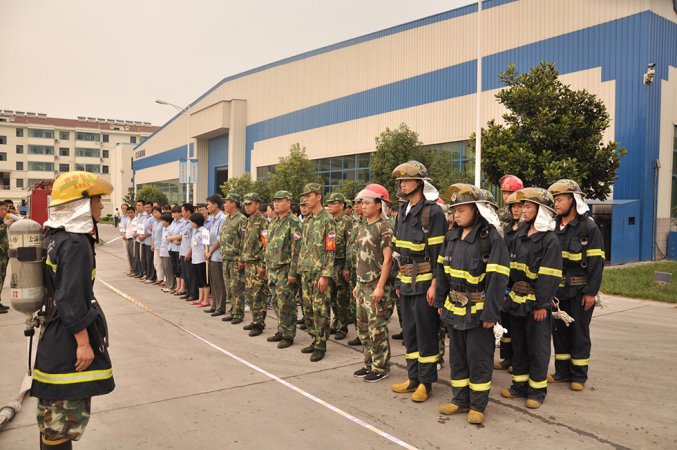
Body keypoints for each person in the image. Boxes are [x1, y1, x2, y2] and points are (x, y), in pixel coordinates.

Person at [33, 171, 115, 448]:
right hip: (67, 337)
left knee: (51, 417)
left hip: (53, 330)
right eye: (97, 201)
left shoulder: (53, 236)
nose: (101, 206)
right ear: (80, 204)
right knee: (62, 420)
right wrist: (83, 343)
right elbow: (71, 298)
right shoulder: (75, 244)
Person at [435, 184, 510, 425]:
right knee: (458, 358)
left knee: (478, 360)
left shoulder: (492, 239)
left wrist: (491, 314)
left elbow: (498, 279)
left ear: (477, 211)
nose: (456, 215)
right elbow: (441, 270)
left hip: (479, 312)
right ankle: (459, 400)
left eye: (461, 210)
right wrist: (440, 300)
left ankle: (477, 405)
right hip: (454, 308)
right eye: (454, 210)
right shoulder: (451, 236)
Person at [390, 161, 447, 402]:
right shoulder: (402, 210)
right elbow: (397, 250)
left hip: (424, 285)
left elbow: (439, 254)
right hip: (405, 283)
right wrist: (397, 282)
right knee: (410, 334)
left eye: (407, 180)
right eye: (400, 181)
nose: (402, 184)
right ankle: (412, 378)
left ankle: (426, 383)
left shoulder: (433, 212)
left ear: (420, 182)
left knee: (426, 334)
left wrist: (435, 285)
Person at [501, 187, 562, 409]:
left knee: (538, 348)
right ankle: (519, 385)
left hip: (537, 304)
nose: (523, 210)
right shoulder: (519, 235)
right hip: (516, 301)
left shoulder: (550, 240)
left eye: (527, 206)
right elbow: (509, 268)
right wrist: (506, 294)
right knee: (519, 345)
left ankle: (536, 391)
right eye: (522, 206)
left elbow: (549, 276)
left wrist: (542, 304)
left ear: (541, 210)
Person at [547, 179, 604, 391]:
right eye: (554, 200)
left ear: (572, 200)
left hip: (579, 292)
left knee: (579, 333)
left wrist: (591, 293)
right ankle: (562, 372)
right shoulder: (551, 226)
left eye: (560, 199)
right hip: (557, 292)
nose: (556, 204)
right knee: (559, 332)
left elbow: (597, 263)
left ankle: (579, 375)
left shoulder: (588, 228)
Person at [351, 184, 395, 382]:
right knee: (362, 327)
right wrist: (357, 284)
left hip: (376, 285)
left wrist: (380, 286)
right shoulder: (363, 226)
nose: (363, 206)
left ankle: (381, 366)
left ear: (379, 205)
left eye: (367, 203)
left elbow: (388, 260)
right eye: (362, 203)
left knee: (376, 328)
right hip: (362, 285)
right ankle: (368, 363)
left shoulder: (384, 227)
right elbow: (360, 258)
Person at [297, 183, 336, 362]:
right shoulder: (307, 220)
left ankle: (321, 344)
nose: (306, 199)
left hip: (320, 272)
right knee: (307, 309)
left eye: (309, 195)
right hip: (306, 271)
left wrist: (325, 274)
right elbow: (303, 247)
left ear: (319, 197)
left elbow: (330, 248)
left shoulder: (327, 219)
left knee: (320, 309)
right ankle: (314, 339)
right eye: (304, 196)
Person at [264, 190, 302, 348]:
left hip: (285, 269)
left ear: (289, 202)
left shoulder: (294, 222)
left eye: (280, 200)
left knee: (287, 303)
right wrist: (267, 267)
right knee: (276, 301)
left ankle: (288, 334)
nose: (276, 203)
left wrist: (293, 272)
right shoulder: (274, 221)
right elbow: (269, 245)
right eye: (275, 201)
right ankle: (281, 329)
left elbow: (296, 249)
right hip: (273, 268)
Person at [495, 192, 522, 372]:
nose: (516, 210)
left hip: (519, 283)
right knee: (505, 323)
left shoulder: (528, 230)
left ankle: (517, 360)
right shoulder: (508, 230)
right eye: (513, 207)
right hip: (507, 281)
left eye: (520, 206)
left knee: (517, 326)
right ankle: (507, 358)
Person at [240, 193, 269, 336]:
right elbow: (245, 242)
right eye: (245, 204)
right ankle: (255, 319)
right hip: (248, 264)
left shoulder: (262, 221)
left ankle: (259, 324)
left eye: (249, 204)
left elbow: (266, 244)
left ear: (257, 204)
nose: (246, 207)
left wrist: (263, 265)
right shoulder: (249, 220)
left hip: (257, 263)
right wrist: (242, 259)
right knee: (250, 294)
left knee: (258, 295)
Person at [326, 192, 351, 340]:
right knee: (332, 297)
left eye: (333, 203)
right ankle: (335, 323)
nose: (330, 205)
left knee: (342, 298)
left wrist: (347, 267)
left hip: (341, 263)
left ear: (341, 205)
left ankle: (343, 326)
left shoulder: (347, 222)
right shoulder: (329, 221)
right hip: (330, 263)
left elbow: (350, 246)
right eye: (329, 203)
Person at [220, 193, 247, 324]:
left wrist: (242, 258)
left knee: (237, 288)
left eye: (226, 202)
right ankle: (232, 310)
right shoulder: (227, 219)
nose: (224, 204)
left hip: (236, 259)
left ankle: (239, 313)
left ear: (234, 204)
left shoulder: (242, 219)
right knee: (229, 288)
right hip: (226, 258)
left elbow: (244, 241)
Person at [344, 197, 363, 346]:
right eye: (355, 204)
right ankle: (360, 334)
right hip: (354, 269)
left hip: (368, 272)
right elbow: (349, 247)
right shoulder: (356, 224)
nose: (357, 206)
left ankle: (368, 336)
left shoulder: (380, 224)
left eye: (360, 203)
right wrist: (347, 266)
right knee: (355, 304)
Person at [204, 195, 227, 317]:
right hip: (211, 254)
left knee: (219, 283)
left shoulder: (223, 219)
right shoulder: (213, 218)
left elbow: (220, 239)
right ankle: (214, 305)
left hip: (217, 254)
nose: (207, 206)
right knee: (213, 282)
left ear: (215, 205)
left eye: (209, 204)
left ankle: (220, 307)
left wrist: (210, 251)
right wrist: (207, 250)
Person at [188, 212, 210, 307]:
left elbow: (206, 245)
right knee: (199, 280)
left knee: (204, 280)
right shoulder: (194, 231)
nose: (191, 224)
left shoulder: (204, 231)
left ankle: (206, 299)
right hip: (195, 258)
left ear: (196, 222)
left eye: (192, 222)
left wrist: (206, 252)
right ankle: (200, 298)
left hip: (202, 259)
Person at [179, 204, 197, 301]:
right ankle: (188, 292)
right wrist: (181, 252)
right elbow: (183, 238)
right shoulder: (184, 223)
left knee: (191, 274)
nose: (181, 213)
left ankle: (194, 293)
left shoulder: (192, 223)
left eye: (183, 211)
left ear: (188, 212)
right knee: (185, 274)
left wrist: (189, 252)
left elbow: (194, 239)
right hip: (183, 251)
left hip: (189, 252)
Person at [159, 213, 175, 293]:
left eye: (163, 221)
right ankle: (167, 284)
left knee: (169, 269)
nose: (162, 222)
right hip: (162, 251)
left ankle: (171, 286)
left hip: (167, 251)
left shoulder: (170, 229)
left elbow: (171, 240)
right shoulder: (164, 229)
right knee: (165, 270)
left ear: (168, 221)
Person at [141, 202, 156, 283]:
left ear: (152, 207)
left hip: (150, 241)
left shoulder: (153, 218)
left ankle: (151, 277)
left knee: (150, 260)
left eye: (148, 207)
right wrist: (140, 235)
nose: (147, 209)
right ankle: (147, 274)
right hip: (144, 241)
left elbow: (151, 230)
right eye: (146, 207)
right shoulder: (145, 217)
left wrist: (144, 236)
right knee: (146, 259)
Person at [150, 206, 165, 286]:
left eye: (156, 212)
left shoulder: (163, 222)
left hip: (162, 245)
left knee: (163, 263)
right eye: (153, 213)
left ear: (160, 212)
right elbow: (153, 235)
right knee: (156, 263)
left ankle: (164, 279)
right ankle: (159, 278)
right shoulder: (154, 222)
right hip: (156, 245)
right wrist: (152, 244)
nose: (154, 214)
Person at [0, 201, 8, 313]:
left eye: (5, 210)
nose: (4, 212)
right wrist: (5, 225)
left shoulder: (2, 221)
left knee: (1, 278)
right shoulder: (3, 224)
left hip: (3, 255)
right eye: (2, 210)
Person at [123, 207, 136, 278]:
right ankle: (132, 269)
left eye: (131, 212)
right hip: (128, 239)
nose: (130, 214)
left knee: (134, 256)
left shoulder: (136, 220)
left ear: (134, 212)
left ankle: (135, 270)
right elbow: (127, 229)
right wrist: (124, 235)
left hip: (133, 239)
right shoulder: (128, 220)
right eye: (128, 213)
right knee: (130, 255)